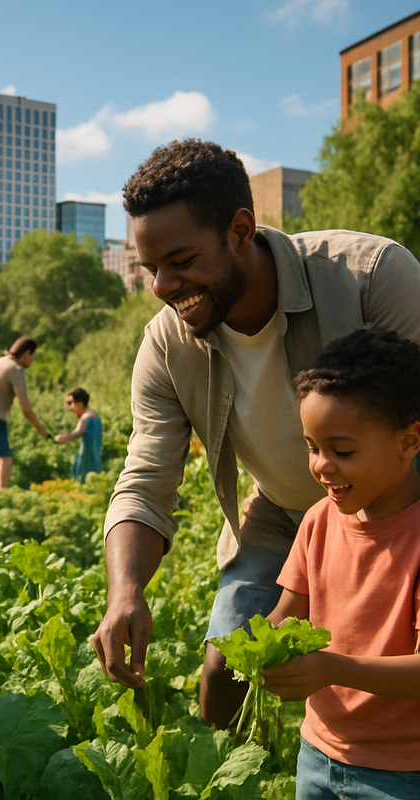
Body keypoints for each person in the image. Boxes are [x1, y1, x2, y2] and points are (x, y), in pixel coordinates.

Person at [91, 138, 420, 730]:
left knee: (386, 681)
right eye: (151, 268)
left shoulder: (372, 278)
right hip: (283, 513)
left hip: (400, 512)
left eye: (182, 259)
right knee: (225, 670)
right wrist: (127, 592)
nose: (165, 285)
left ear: (241, 229)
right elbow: (144, 479)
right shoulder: (167, 346)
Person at [262, 329, 420, 799]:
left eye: (342, 451)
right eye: (312, 447)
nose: (322, 466)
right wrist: (251, 643)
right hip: (317, 753)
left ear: (409, 441)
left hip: (401, 773)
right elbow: (288, 612)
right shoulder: (318, 521)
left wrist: (332, 669)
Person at [0, 336, 49, 490]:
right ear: (27, 353)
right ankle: (2, 494)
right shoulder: (15, 369)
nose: (32, 361)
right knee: (5, 457)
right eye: (33, 356)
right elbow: (26, 408)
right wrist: (42, 430)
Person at [54, 387, 103, 482]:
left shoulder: (85, 417)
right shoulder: (94, 414)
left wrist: (66, 437)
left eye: (70, 403)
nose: (70, 407)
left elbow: (78, 431)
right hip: (95, 456)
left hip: (88, 458)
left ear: (80, 403)